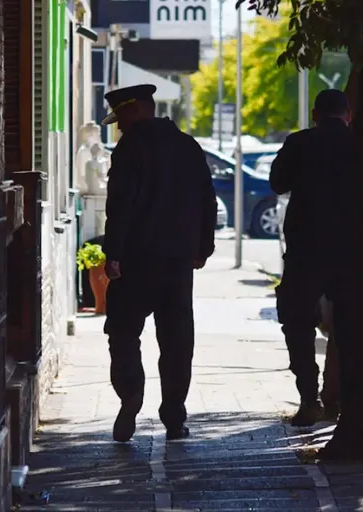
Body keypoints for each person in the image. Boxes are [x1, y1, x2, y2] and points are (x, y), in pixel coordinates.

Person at [100, 84, 218, 442]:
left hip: (136, 261)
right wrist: (203, 247)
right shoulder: (188, 146)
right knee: (178, 341)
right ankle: (174, 418)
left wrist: (113, 254)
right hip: (178, 263)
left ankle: (130, 394)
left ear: (136, 110)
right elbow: (207, 200)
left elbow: (120, 204)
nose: (118, 127)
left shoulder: (130, 148)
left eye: (120, 118)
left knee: (122, 332)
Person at [270, 89, 358, 427]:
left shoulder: (300, 143)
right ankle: (349, 402)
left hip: (306, 248)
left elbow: (278, 183)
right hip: (350, 247)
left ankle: (309, 398)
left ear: (315, 114)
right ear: (347, 114)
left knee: (298, 322)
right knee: (350, 326)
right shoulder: (360, 144)